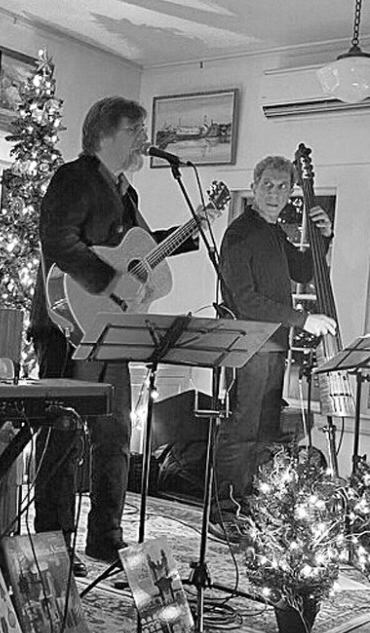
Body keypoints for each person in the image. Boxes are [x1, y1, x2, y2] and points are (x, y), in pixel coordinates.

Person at [29, 96, 202, 574]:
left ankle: (105, 537)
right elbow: (58, 241)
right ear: (106, 134)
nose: (144, 141)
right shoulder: (73, 178)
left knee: (116, 435)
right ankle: (53, 543)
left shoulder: (127, 194)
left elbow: (138, 251)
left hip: (112, 328)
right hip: (68, 325)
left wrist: (190, 231)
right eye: (135, 131)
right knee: (62, 436)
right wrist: (108, 281)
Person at [211, 155, 336, 542]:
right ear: (254, 186)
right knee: (241, 430)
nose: (275, 193)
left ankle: (248, 505)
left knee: (264, 431)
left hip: (274, 346)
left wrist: (323, 236)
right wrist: (302, 319)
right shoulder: (240, 233)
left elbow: (303, 270)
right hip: (248, 346)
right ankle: (223, 512)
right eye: (268, 185)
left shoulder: (275, 232)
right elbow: (245, 300)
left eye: (283, 187)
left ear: (291, 192)